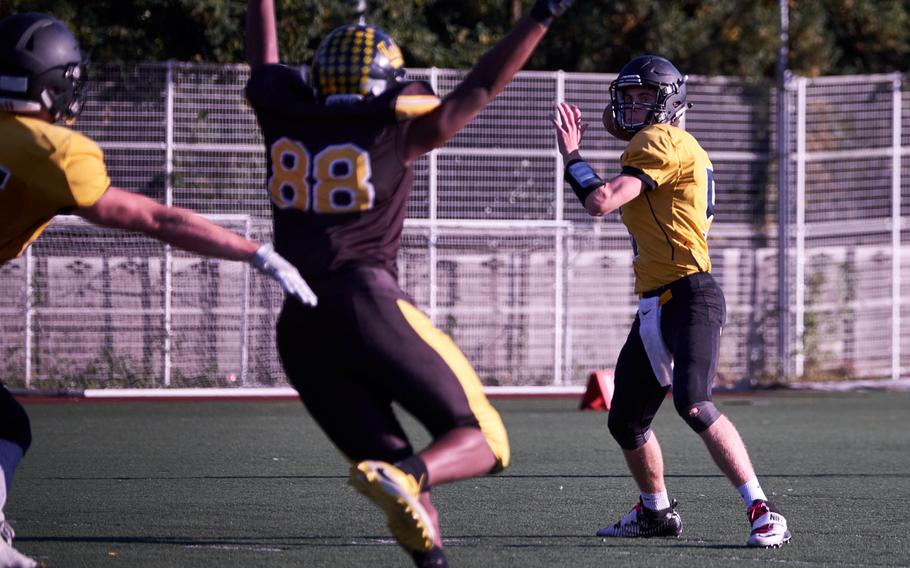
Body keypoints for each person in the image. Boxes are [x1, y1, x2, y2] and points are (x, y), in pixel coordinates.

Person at [244, 0, 573, 565]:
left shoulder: (284, 113)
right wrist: (541, 15)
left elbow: (263, 63)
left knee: (410, 500)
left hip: (298, 326)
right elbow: (481, 86)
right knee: (482, 440)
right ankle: (407, 474)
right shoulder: (387, 129)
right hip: (366, 304)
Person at [0, 12, 318, 568]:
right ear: (53, 85)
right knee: (2, 426)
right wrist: (255, 251)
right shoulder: (52, 150)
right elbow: (156, 221)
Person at [551, 55, 791, 548]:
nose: (633, 107)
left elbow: (600, 202)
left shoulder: (660, 140)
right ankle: (656, 512)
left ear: (668, 103)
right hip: (658, 301)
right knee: (626, 420)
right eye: (629, 98)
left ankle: (763, 510)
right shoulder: (669, 143)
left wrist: (571, 155)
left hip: (688, 294)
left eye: (644, 98)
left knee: (694, 403)